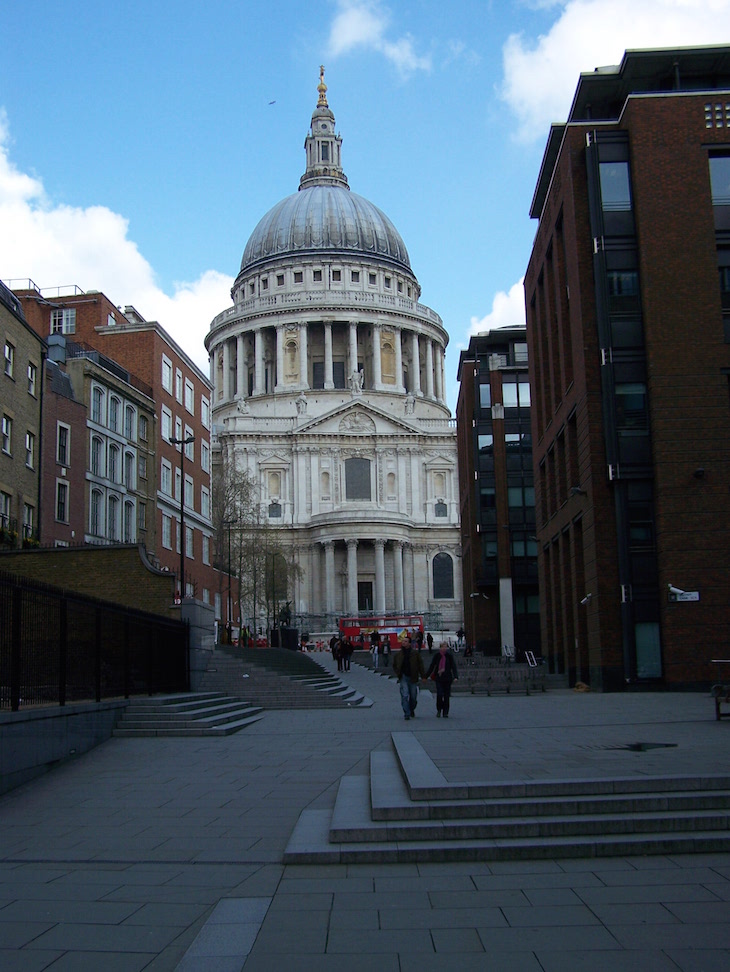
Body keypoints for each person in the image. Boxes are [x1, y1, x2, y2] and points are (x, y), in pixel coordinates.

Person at [392, 637, 426, 720]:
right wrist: (398, 673)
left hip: (413, 677)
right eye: (403, 641)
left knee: (413, 696)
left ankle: (411, 709)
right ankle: (406, 713)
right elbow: (394, 665)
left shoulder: (415, 654)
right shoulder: (398, 654)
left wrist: (423, 676)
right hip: (403, 677)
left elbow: (420, 665)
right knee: (404, 695)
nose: (403, 642)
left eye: (406, 641)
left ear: (410, 643)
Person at [425, 642, 459, 718]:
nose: (444, 648)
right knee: (439, 694)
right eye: (443, 647)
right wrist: (426, 676)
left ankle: (445, 712)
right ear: (440, 647)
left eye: (445, 647)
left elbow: (453, 666)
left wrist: (455, 676)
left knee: (447, 696)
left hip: (447, 678)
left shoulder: (449, 656)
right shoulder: (437, 656)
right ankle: (439, 709)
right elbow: (432, 666)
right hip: (439, 678)